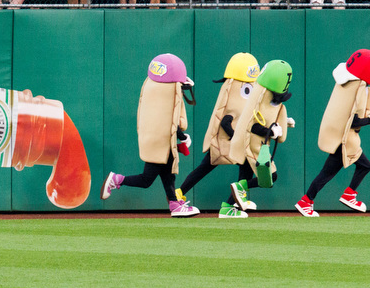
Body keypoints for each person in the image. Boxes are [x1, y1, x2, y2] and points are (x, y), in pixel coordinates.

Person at [100, 53, 200, 218]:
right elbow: (170, 123)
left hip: (159, 142)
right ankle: (116, 179)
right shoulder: (165, 99)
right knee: (147, 180)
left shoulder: (152, 92)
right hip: (160, 143)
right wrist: (183, 137)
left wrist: (180, 137)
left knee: (169, 174)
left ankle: (175, 204)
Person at [175, 53, 263, 218]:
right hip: (223, 143)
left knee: (245, 171)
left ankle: (233, 204)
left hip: (234, 144)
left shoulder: (245, 104)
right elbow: (224, 122)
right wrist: (236, 137)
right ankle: (180, 193)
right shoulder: (231, 102)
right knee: (205, 168)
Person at [296, 50, 370, 217]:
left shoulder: (349, 85)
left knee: (330, 172)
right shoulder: (357, 88)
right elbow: (354, 121)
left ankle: (309, 200)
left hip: (339, 137)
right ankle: (312, 200)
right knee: (361, 166)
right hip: (345, 140)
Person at [227, 60, 294, 212]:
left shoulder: (266, 100)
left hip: (250, 145)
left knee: (244, 177)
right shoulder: (261, 101)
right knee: (270, 177)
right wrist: (271, 132)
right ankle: (240, 189)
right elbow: (255, 126)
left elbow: (265, 120)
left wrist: (285, 122)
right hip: (253, 146)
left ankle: (228, 207)